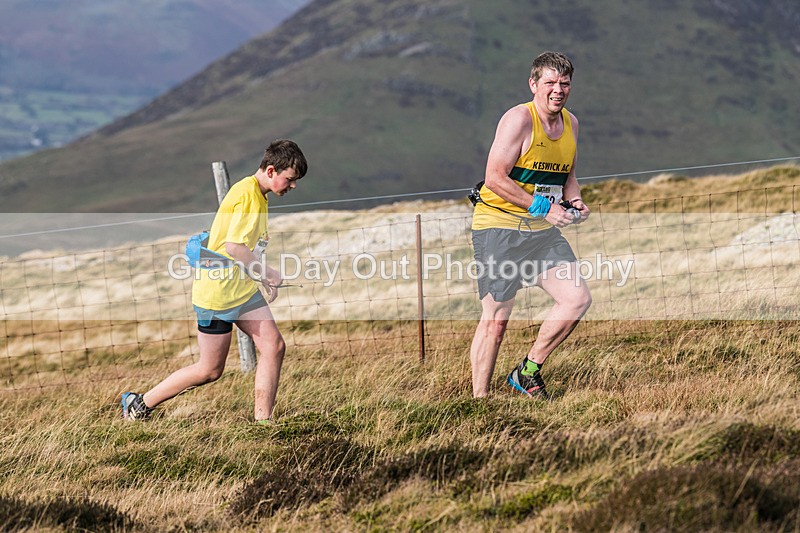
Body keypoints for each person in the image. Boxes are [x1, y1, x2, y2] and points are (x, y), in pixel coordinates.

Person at [121, 139, 308, 422]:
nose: (292, 186)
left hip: (240, 290)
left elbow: (243, 249)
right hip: (218, 294)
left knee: (273, 347)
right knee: (209, 370)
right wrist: (268, 272)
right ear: (271, 170)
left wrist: (259, 277)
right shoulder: (246, 196)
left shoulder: (258, 194)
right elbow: (234, 247)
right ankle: (138, 404)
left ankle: (263, 422)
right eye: (290, 179)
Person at [470, 51, 591, 399]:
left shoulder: (572, 123)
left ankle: (528, 370)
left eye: (564, 84)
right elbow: (494, 177)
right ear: (533, 84)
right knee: (497, 320)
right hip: (500, 227)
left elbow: (568, 175)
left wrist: (576, 200)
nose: (558, 90)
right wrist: (543, 207)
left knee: (576, 299)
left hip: (540, 233)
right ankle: (480, 401)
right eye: (550, 83)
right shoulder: (518, 120)